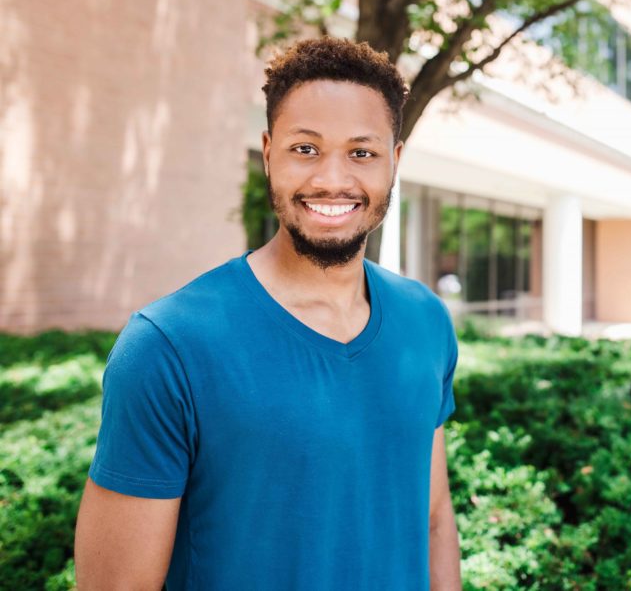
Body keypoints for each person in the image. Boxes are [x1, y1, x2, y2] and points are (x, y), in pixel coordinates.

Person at [74, 37, 462, 590]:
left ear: (394, 161)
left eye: (362, 152)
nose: (332, 179)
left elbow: (432, 520)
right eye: (305, 149)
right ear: (268, 153)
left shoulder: (426, 322)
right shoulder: (168, 346)